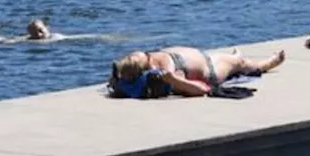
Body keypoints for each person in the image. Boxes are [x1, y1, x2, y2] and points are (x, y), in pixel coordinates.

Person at [110, 46, 285, 98]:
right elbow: (202, 89)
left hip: (203, 58)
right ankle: (267, 64)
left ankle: (234, 57)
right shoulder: (164, 75)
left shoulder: (145, 61)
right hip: (210, 70)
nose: (143, 54)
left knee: (231, 58)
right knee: (239, 63)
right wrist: (175, 81)